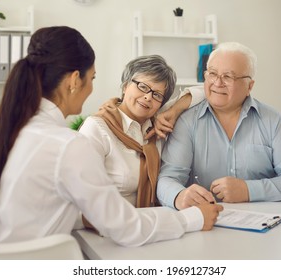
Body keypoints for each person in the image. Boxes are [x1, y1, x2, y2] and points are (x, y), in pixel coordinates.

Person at [0, 26, 223, 246]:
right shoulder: (69, 145)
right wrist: (193, 219)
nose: (93, 88)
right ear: (74, 80)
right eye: (92, 78)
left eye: (156, 94)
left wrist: (175, 109)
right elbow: (126, 228)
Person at [157, 42, 281, 210]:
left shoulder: (272, 121)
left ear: (249, 86)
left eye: (228, 77)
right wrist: (179, 196)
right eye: (212, 74)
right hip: (204, 225)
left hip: (265, 225)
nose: (218, 83)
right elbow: (167, 179)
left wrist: (249, 190)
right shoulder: (186, 122)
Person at [78, 55, 204, 208]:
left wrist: (175, 110)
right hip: (106, 224)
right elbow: (83, 195)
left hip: (151, 221)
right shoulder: (97, 127)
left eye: (157, 95)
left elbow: (207, 90)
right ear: (125, 86)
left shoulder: (157, 125)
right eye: (142, 86)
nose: (148, 97)